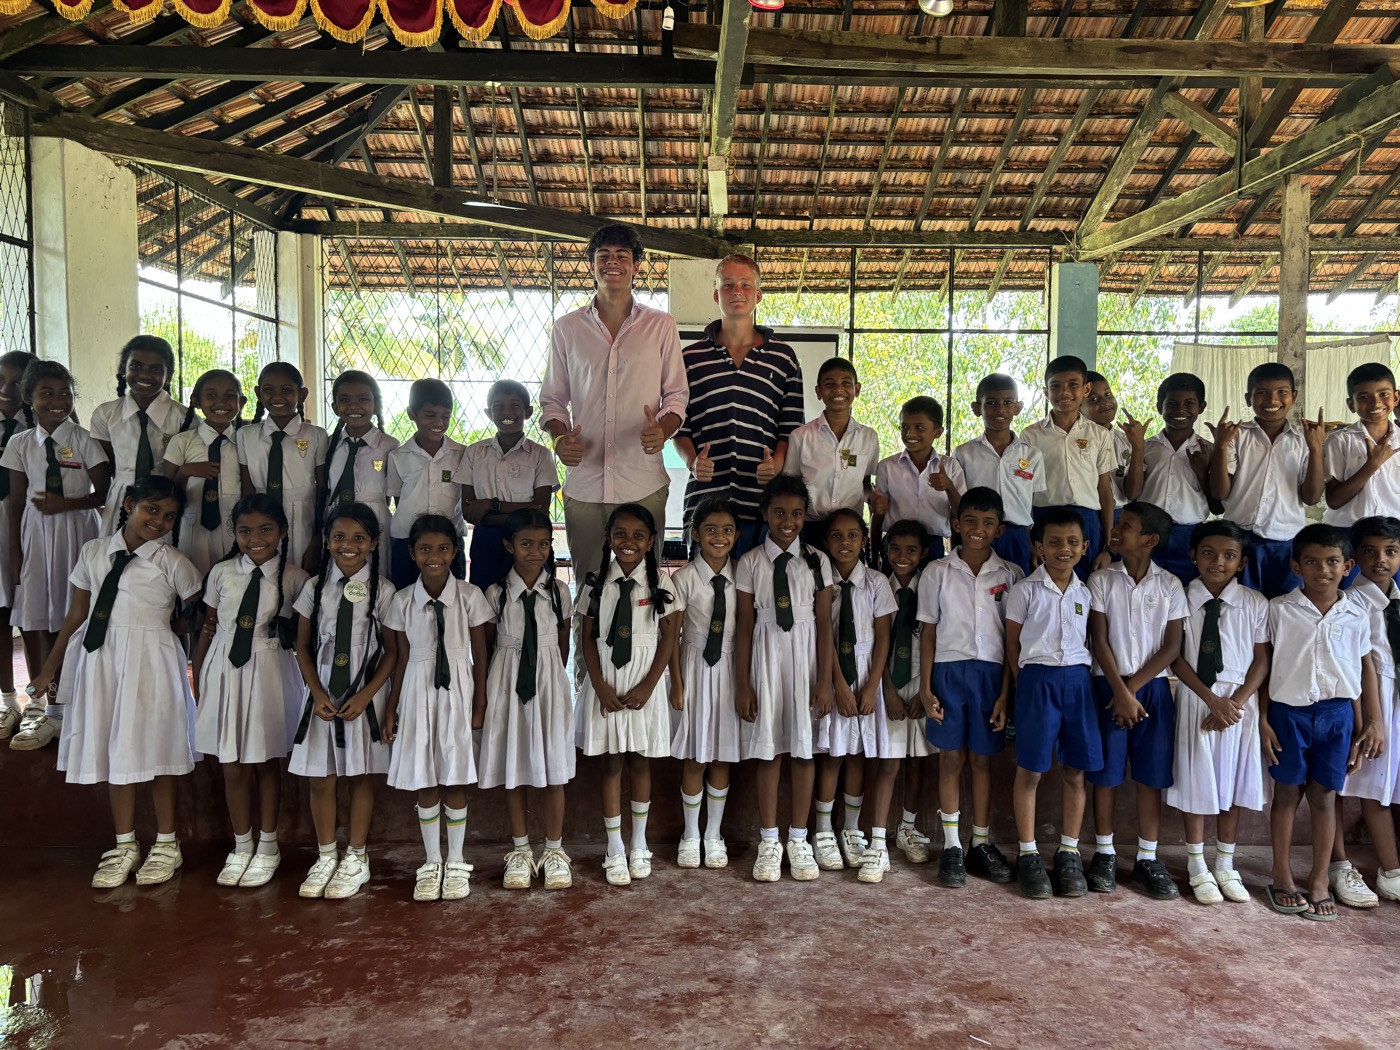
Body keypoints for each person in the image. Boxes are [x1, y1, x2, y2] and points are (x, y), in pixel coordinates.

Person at [30, 476, 202, 888]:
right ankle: (124, 844)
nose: (158, 521)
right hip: (101, 660)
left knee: (160, 747)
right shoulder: (93, 552)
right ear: (128, 505)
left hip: (152, 659)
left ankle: (166, 843)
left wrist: (175, 632)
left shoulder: (172, 561)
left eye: (169, 516)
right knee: (113, 749)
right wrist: (50, 668)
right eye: (151, 510)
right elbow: (75, 616)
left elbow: (200, 612)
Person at [539, 223, 687, 586]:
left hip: (643, 482)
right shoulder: (567, 328)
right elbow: (553, 399)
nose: (612, 263)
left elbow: (677, 395)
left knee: (643, 589)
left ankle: (643, 647)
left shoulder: (661, 326)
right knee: (589, 589)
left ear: (636, 267)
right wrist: (560, 441)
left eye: (623, 256)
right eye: (603, 256)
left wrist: (662, 432)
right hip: (585, 483)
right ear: (592, 265)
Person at [1262, 523, 1383, 921]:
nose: (1322, 570)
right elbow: (1262, 668)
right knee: (1286, 795)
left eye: (1332, 562)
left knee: (1325, 797)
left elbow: (1364, 671)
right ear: (1296, 566)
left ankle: (1318, 878)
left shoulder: (1357, 612)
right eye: (1312, 562)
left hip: (1337, 717)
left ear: (1348, 566)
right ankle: (1281, 875)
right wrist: (1262, 720)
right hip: (1288, 714)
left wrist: (1369, 723)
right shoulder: (1278, 609)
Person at [192, 493, 309, 888]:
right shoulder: (222, 573)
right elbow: (208, 626)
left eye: (265, 530)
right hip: (226, 669)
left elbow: (305, 636)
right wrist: (200, 678)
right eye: (245, 531)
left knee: (265, 759)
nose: (255, 538)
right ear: (234, 533)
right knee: (232, 762)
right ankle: (241, 845)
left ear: (282, 532)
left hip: (270, 670)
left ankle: (268, 845)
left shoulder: (294, 578)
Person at [290, 502, 398, 900]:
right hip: (323, 690)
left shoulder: (383, 590)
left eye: (358, 538)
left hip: (363, 693)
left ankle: (356, 855)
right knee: (323, 776)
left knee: (359, 774)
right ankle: (324, 855)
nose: (348, 546)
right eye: (339, 537)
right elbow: (302, 645)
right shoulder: (314, 587)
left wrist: (368, 696)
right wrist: (317, 692)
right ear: (327, 541)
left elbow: (391, 651)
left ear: (372, 544)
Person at [383, 515, 492, 903]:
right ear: (412, 553)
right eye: (425, 549)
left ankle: (457, 861)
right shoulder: (400, 601)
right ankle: (431, 862)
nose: (435, 557)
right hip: (416, 690)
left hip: (460, 690)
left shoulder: (470, 596)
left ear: (455, 551)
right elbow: (397, 657)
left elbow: (480, 653)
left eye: (443, 548)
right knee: (426, 776)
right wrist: (392, 707)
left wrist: (480, 702)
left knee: (455, 775)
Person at [917, 488, 1022, 888]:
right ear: (956, 525)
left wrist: (1005, 693)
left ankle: (980, 841)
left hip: (991, 677)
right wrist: (926, 689)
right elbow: (927, 633)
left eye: (988, 523)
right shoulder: (937, 572)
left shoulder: (1010, 575)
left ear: (1000, 529)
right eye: (970, 522)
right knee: (950, 759)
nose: (978, 530)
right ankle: (951, 846)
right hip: (947, 673)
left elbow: (1013, 643)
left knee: (982, 761)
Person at [3, 360, 110, 752]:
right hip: (35, 534)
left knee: (71, 613)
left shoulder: (82, 440)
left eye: (65, 393)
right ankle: (39, 701)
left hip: (76, 531)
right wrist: (14, 553)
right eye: (47, 393)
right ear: (29, 398)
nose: (57, 401)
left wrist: (66, 503)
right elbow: (16, 502)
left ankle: (66, 706)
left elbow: (104, 494)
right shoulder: (19, 444)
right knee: (35, 616)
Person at [1085, 502, 1188, 900]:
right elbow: (1100, 640)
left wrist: (1134, 691)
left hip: (1153, 690)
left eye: (1126, 525)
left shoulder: (1170, 585)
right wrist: (1121, 692)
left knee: (1150, 776)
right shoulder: (1101, 580)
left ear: (1149, 540)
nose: (1117, 529)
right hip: (1108, 687)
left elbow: (1172, 646)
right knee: (1106, 775)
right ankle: (1105, 852)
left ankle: (1147, 857)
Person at [735, 475, 835, 883]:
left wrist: (825, 680)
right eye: (779, 513)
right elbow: (744, 624)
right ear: (765, 514)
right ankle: (769, 839)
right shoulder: (751, 562)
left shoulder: (817, 560)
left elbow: (826, 623)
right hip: (766, 653)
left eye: (796, 513)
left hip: (806, 656)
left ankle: (799, 838)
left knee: (803, 749)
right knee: (769, 749)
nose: (788, 521)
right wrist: (743, 682)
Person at [575, 503, 679, 887]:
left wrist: (651, 685)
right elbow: (587, 637)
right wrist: (599, 685)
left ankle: (639, 842)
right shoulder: (595, 583)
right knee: (612, 763)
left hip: (642, 684)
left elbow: (669, 637)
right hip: (606, 683)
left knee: (640, 762)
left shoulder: (661, 585)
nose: (629, 542)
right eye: (620, 534)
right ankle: (614, 845)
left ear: (651, 541)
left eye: (638, 536)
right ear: (608, 538)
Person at [1165, 521, 1269, 905]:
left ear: (1241, 562)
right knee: (1196, 779)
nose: (1217, 562)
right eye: (1208, 553)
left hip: (1240, 701)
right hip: (1198, 697)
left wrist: (1235, 703)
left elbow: (1261, 660)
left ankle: (1226, 864)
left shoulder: (1255, 603)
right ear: (1193, 556)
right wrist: (1212, 701)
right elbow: (1175, 657)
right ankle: (1196, 865)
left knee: (1233, 782)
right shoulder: (1179, 597)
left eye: (1228, 555)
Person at [674, 254, 804, 555]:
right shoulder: (690, 358)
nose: (737, 292)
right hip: (704, 503)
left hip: (761, 506)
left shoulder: (784, 358)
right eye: (728, 285)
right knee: (705, 597)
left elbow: (791, 426)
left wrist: (777, 465)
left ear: (758, 295)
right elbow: (680, 425)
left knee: (757, 599)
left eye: (746, 285)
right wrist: (692, 461)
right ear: (716, 294)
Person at [1004, 508, 1103, 899]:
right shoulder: (1024, 590)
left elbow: (1092, 642)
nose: (1064, 549)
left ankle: (1068, 850)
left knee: (1075, 771)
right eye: (1055, 542)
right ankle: (1028, 853)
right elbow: (1012, 643)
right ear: (1039, 546)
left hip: (1078, 683)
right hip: (1036, 682)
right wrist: (1019, 687)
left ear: (1085, 547)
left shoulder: (1086, 592)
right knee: (1030, 770)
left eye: (1072, 542)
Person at [480, 509, 575, 891]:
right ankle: (520, 850)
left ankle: (554, 850)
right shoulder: (496, 593)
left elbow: (564, 645)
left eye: (543, 544)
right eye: (525, 544)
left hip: (549, 682)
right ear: (509, 546)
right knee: (514, 764)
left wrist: (550, 678)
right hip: (507, 681)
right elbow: (486, 646)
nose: (535, 552)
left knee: (554, 767)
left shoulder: (559, 592)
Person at [814, 509, 897, 882]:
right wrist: (839, 687)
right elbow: (824, 637)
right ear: (825, 542)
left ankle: (850, 828)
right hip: (833, 673)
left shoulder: (877, 582)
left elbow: (884, 637)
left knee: (859, 754)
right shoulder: (820, 582)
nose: (844, 543)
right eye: (836, 536)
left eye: (852, 535)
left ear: (864, 540)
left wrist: (870, 685)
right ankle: (823, 832)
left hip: (866, 674)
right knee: (832, 755)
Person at [1327, 516, 1400, 908]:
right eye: (1370, 552)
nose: (1381, 561)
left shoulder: (1397, 600)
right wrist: (1369, 720)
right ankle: (1340, 866)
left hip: (1393, 703)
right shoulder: (1347, 601)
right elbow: (1357, 666)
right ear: (1353, 559)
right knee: (1339, 784)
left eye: (1391, 551)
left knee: (1380, 787)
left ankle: (1391, 872)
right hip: (1358, 704)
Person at [1208, 362, 1326, 598]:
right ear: (1248, 398)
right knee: (1240, 605)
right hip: (1240, 539)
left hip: (1286, 541)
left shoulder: (1306, 439)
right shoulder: (1236, 435)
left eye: (1282, 392)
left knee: (1284, 606)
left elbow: (1312, 497)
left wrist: (1316, 450)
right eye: (1262, 392)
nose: (1272, 400)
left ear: (1293, 396)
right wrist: (1220, 446)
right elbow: (1220, 492)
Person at [668, 499, 743, 870]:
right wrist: (677, 684)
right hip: (695, 667)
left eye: (727, 530)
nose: (719, 536)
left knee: (722, 753)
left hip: (729, 670)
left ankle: (713, 833)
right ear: (696, 534)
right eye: (710, 529)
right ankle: (690, 834)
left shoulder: (741, 578)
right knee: (696, 754)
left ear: (736, 536)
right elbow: (672, 638)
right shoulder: (681, 579)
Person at [456, 379, 556, 590]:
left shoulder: (540, 455)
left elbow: (540, 509)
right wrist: (519, 512)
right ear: (489, 412)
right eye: (498, 406)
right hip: (486, 541)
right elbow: (469, 511)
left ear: (528, 412)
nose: (506, 412)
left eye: (515, 405)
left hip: (528, 539)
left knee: (529, 597)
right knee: (485, 601)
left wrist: (489, 506)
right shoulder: (475, 452)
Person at [1022, 355, 1115, 580]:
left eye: (1073, 384)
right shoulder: (1031, 435)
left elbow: (1104, 489)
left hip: (1088, 520)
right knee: (1045, 584)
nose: (1064, 392)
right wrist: (1029, 540)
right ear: (1046, 392)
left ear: (1086, 388)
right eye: (1056, 386)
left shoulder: (1099, 435)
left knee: (1087, 584)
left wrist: (1108, 546)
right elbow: (1023, 491)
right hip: (1045, 517)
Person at [91, 335, 186, 538]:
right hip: (121, 498)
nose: (144, 374)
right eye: (136, 365)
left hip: (165, 503)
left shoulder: (185, 419)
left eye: (155, 369)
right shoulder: (106, 414)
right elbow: (108, 463)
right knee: (117, 553)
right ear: (123, 370)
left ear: (168, 376)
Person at [880, 519, 935, 867]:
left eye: (911, 550)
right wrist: (887, 689)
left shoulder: (931, 587)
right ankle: (876, 838)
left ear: (924, 553)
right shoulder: (876, 586)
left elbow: (936, 641)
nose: (902, 557)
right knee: (889, 762)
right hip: (887, 685)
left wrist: (925, 693)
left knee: (918, 762)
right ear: (885, 552)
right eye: (895, 549)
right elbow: (874, 646)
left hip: (920, 682)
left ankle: (909, 827)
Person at [237, 361, 328, 572]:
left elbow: (322, 489)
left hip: (302, 518)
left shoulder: (316, 435)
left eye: (286, 390)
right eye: (269, 390)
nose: (277, 396)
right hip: (260, 516)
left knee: (300, 575)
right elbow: (247, 488)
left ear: (302, 394)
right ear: (259, 393)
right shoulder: (246, 435)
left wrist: (317, 538)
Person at [782, 357, 879, 548]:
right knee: (811, 577)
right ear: (819, 392)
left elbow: (866, 483)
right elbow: (791, 486)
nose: (838, 389)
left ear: (857, 389)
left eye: (846, 383)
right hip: (810, 528)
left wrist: (872, 498)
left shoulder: (868, 437)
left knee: (847, 578)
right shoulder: (800, 436)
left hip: (851, 530)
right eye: (829, 384)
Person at [953, 373, 1045, 575]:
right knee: (976, 587)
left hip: (1017, 536)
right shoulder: (964, 453)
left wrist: (1031, 544)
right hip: (978, 533)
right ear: (977, 408)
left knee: (1016, 590)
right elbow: (958, 501)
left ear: (1017, 408)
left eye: (1007, 402)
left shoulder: (1031, 454)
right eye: (992, 403)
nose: (1000, 409)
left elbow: (1033, 507)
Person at [159, 369, 247, 576]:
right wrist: (185, 472)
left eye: (229, 396)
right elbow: (165, 494)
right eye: (211, 395)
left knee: (231, 580)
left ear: (241, 402)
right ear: (197, 401)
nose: (221, 402)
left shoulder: (245, 441)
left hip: (234, 526)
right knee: (192, 580)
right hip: (191, 527)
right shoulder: (182, 442)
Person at [1130, 373, 1214, 585]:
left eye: (1189, 404)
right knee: (1143, 588)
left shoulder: (1209, 450)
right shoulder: (1145, 447)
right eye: (1172, 404)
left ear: (1201, 407)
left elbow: (1218, 505)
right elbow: (1132, 493)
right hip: (1146, 533)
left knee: (1185, 592)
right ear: (1160, 407)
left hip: (1188, 534)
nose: (1180, 410)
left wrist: (1203, 472)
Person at [386, 379, 467, 589]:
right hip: (406, 540)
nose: (438, 422)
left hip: (449, 541)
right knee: (406, 594)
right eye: (430, 415)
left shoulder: (461, 454)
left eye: (445, 416)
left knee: (452, 595)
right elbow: (397, 498)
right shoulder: (398, 456)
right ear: (412, 414)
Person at [319, 370, 398, 577]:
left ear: (375, 405)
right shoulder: (327, 445)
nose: (354, 406)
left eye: (363, 399)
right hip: (336, 521)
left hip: (375, 519)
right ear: (335, 407)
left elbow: (393, 493)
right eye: (345, 400)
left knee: (376, 576)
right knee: (336, 575)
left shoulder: (390, 445)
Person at [871, 396, 965, 561]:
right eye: (904, 427)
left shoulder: (951, 467)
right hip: (895, 545)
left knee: (931, 587)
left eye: (919, 427)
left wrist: (949, 486)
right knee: (894, 587)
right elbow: (878, 515)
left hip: (933, 545)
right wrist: (873, 555)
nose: (910, 433)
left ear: (938, 432)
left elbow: (962, 514)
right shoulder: (887, 467)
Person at [0, 349, 35, 735]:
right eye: (1, 380)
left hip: (29, 522)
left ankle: (39, 699)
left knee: (31, 610)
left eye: (17, 382)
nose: (7, 390)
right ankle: (6, 699)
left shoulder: (45, 423)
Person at [1323, 363, 1400, 526]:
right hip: (1347, 530)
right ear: (1351, 405)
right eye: (1364, 397)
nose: (1376, 403)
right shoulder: (1339, 441)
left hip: (1393, 534)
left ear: (1396, 397)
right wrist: (1372, 465)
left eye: (1384, 394)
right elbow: (1334, 500)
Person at [1082, 371, 1144, 514]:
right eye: (1094, 399)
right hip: (1088, 513)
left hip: (1119, 514)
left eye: (1108, 395)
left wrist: (1138, 447)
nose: (1105, 403)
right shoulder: (1076, 442)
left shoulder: (1126, 440)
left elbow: (1132, 494)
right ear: (1079, 406)